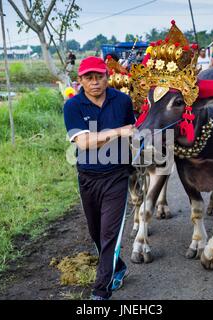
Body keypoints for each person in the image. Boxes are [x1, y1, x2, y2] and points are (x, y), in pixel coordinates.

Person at [63, 56, 136, 300]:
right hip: (87, 178)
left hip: (116, 176)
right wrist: (117, 132)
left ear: (107, 77)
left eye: (99, 77)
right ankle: (119, 267)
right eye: (88, 78)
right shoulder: (72, 106)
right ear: (80, 80)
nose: (94, 82)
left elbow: (133, 134)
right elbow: (83, 143)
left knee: (109, 235)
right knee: (96, 233)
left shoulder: (123, 101)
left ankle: (100, 292)